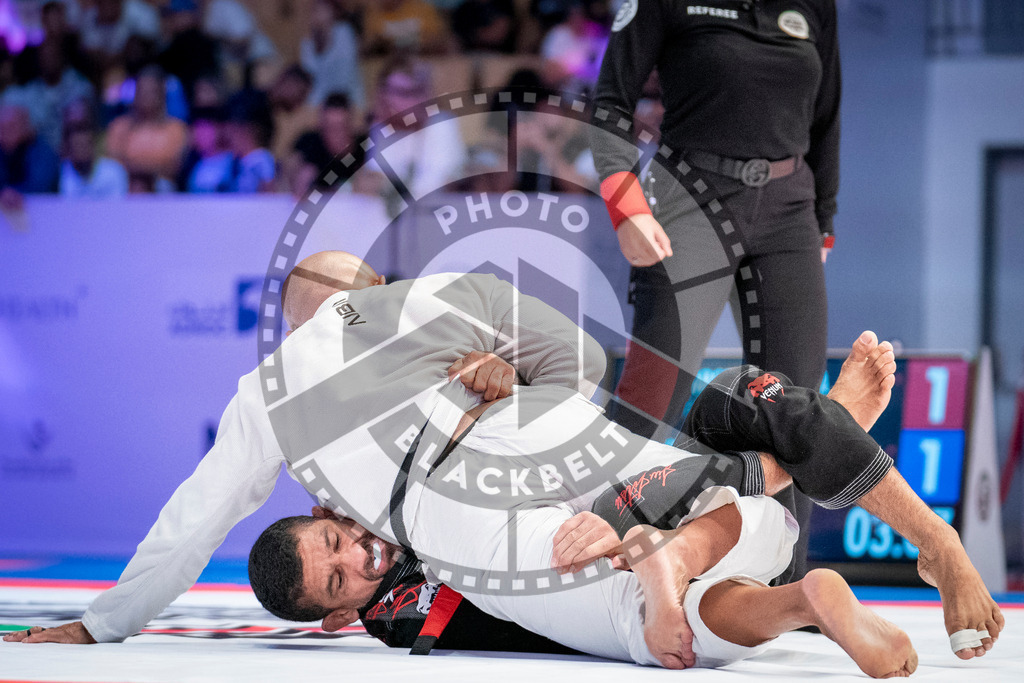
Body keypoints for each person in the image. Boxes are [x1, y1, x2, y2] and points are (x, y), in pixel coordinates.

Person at [5, 252, 1002, 667]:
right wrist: (541, 400)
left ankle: (698, 558)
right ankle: (910, 530)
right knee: (739, 448)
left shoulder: (266, 395)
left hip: (465, 513)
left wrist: (103, 623)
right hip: (521, 436)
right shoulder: (423, 297)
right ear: (357, 285)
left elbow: (199, 510)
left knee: (648, 616)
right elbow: (568, 358)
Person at [591, 0, 843, 584]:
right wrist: (624, 202)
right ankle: (602, 560)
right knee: (653, 391)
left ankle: (781, 582)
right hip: (690, 195)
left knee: (796, 398)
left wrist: (824, 217)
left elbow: (828, 116)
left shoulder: (814, 5)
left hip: (790, 207)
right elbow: (610, 100)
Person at [105, 65, 188, 189]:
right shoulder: (119, 127)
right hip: (125, 188)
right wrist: (152, 168)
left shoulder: (176, 129)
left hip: (162, 190)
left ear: (162, 94)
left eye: (152, 91)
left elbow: (173, 168)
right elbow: (113, 166)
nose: (146, 97)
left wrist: (136, 168)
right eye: (142, 91)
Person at [300, 0, 364, 110]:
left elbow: (346, 73)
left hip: (348, 100)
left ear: (333, 12)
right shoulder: (307, 44)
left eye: (322, 10)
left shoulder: (345, 32)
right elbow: (309, 80)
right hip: (318, 104)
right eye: (314, 11)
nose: (317, 14)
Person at [0, 103, 60, 208]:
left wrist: (15, 193)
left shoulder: (43, 151)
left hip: (44, 214)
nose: (5, 132)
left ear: (25, 125)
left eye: (11, 126)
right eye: (1, 127)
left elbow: (41, 185)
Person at [59, 122, 129, 198]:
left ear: (93, 147)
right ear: (68, 150)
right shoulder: (61, 172)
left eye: (84, 146)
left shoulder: (114, 171)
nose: (80, 151)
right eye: (76, 146)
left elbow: (118, 206)